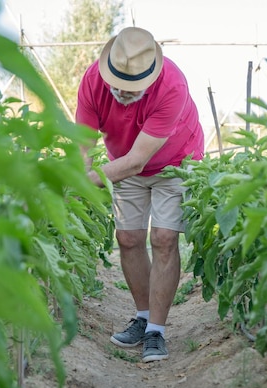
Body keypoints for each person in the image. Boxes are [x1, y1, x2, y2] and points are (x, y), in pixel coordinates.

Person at [75, 27, 204, 362]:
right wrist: (75, 177)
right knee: (129, 238)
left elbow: (138, 160)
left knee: (163, 237)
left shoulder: (172, 85)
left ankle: (157, 332)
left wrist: (91, 180)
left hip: (176, 161)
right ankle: (144, 317)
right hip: (123, 162)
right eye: (118, 84)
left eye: (132, 88)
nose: (122, 91)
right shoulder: (92, 82)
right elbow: (82, 144)